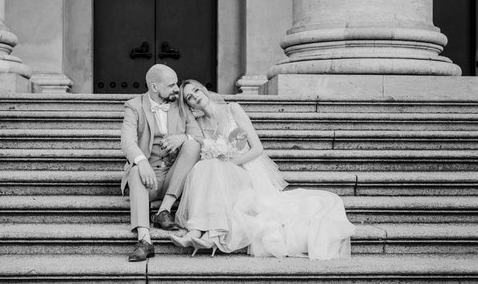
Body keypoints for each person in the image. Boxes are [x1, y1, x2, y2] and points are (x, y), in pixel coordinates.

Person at [170, 79, 356, 260]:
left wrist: (229, 163)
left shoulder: (232, 109)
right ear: (190, 105)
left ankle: (211, 233)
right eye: (189, 98)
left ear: (203, 89)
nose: (195, 97)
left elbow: (257, 149)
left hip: (245, 170)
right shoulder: (200, 124)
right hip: (222, 173)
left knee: (214, 166)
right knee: (204, 166)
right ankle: (199, 231)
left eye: (195, 91)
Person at [121, 65, 203, 262]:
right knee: (135, 170)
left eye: (177, 83)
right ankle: (144, 239)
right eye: (172, 84)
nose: (177, 88)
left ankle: (163, 210)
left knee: (192, 145)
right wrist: (141, 161)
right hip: (147, 179)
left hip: (174, 176)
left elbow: (199, 137)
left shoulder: (180, 105)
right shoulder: (134, 106)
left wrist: (182, 137)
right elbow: (127, 141)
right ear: (154, 87)